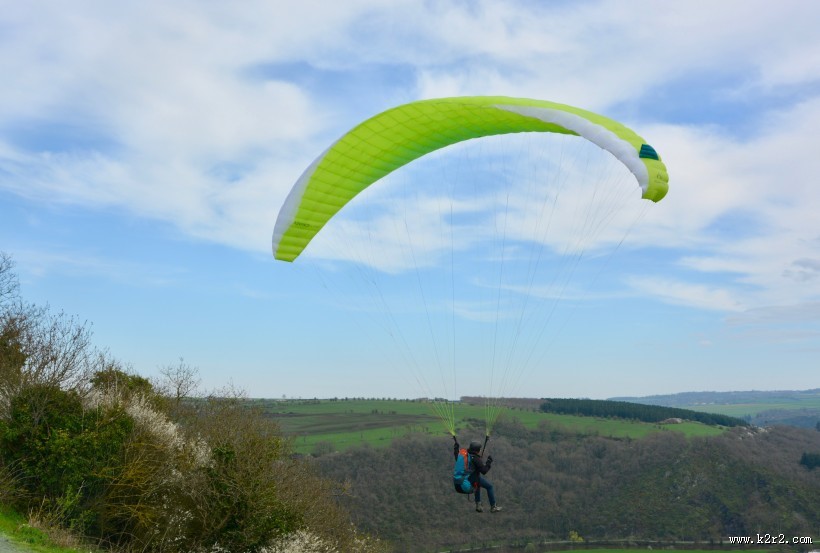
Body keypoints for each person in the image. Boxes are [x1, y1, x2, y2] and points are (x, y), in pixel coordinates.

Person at [453, 437, 502, 513]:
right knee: (489, 486)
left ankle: (478, 505)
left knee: (477, 481)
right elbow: (484, 471)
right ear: (478, 450)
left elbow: (457, 456)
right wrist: (489, 462)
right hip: (467, 487)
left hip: (457, 485)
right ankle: (493, 507)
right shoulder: (475, 458)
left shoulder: (464, 455)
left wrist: (456, 448)